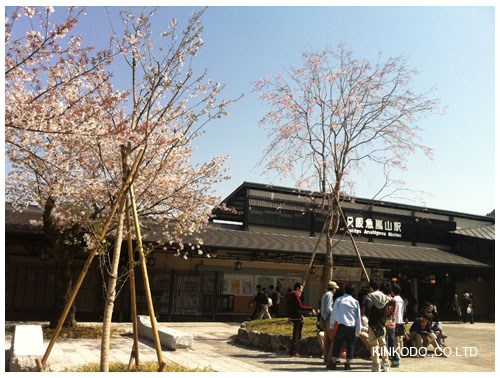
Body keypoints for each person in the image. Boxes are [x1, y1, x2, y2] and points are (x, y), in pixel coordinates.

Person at [327, 285, 361, 370]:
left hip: (341, 325)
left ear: (344, 290)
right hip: (351, 326)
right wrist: (358, 328)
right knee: (350, 344)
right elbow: (358, 316)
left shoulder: (338, 300)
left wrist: (331, 325)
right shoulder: (355, 302)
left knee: (337, 343)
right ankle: (347, 363)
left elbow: (333, 313)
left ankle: (334, 362)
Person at [364, 279, 394, 372]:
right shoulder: (385, 296)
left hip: (373, 324)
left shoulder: (370, 296)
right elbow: (393, 302)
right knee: (383, 345)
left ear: (371, 288)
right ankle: (386, 365)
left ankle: (376, 366)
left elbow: (368, 306)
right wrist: (388, 314)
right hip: (382, 324)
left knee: (374, 346)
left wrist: (369, 314)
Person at [286, 282, 316, 357]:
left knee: (295, 334)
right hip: (296, 317)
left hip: (293, 316)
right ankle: (294, 352)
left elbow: (294, 307)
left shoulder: (290, 294)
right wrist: (311, 309)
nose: (302, 290)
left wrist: (301, 314)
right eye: (301, 289)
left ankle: (292, 350)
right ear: (297, 288)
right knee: (296, 335)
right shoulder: (295, 295)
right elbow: (300, 306)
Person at [320, 281, 339, 364]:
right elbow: (328, 308)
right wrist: (335, 313)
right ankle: (330, 358)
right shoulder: (330, 295)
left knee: (327, 339)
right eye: (335, 288)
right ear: (333, 288)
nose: (336, 290)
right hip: (328, 319)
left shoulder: (325, 294)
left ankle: (326, 357)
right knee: (333, 339)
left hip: (324, 319)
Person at [381, 282, 397, 368]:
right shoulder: (393, 300)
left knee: (384, 344)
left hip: (384, 324)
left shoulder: (383, 300)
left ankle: (385, 362)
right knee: (392, 343)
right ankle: (394, 361)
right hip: (392, 324)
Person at [391, 283, 405, 368]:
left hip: (395, 321)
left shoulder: (393, 300)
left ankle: (398, 357)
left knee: (396, 341)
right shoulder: (401, 300)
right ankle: (401, 354)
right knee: (400, 340)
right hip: (401, 321)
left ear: (392, 291)